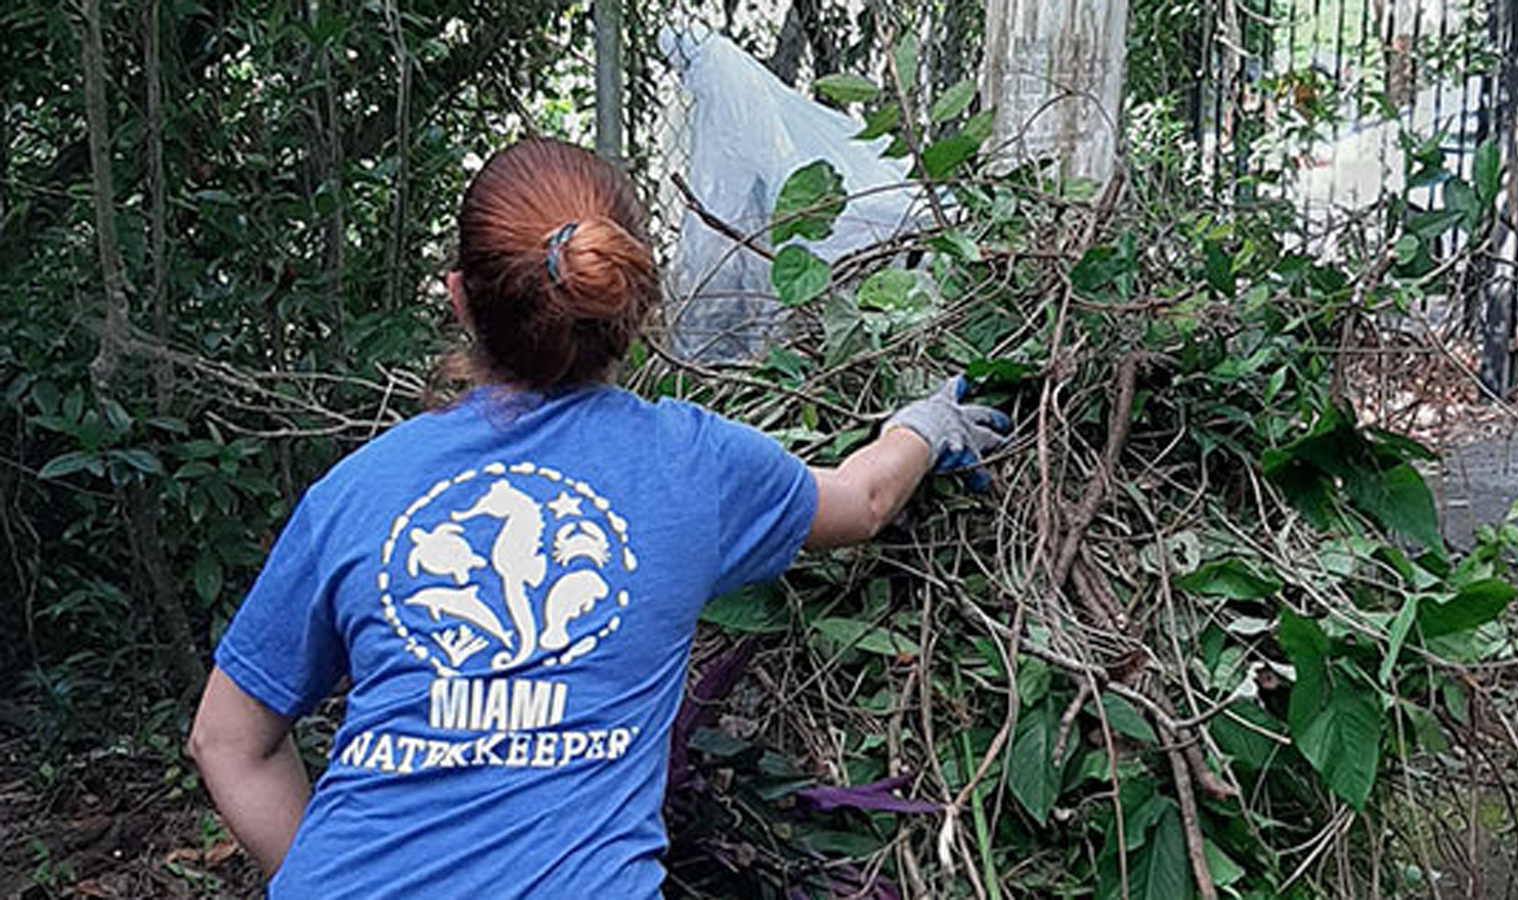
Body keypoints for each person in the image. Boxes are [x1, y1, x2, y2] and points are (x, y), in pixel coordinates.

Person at [187, 137, 1010, 898]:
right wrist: (925, 427)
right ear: (630, 299)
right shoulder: (689, 465)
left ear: (459, 299)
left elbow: (227, 739)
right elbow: (863, 500)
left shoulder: (357, 490)